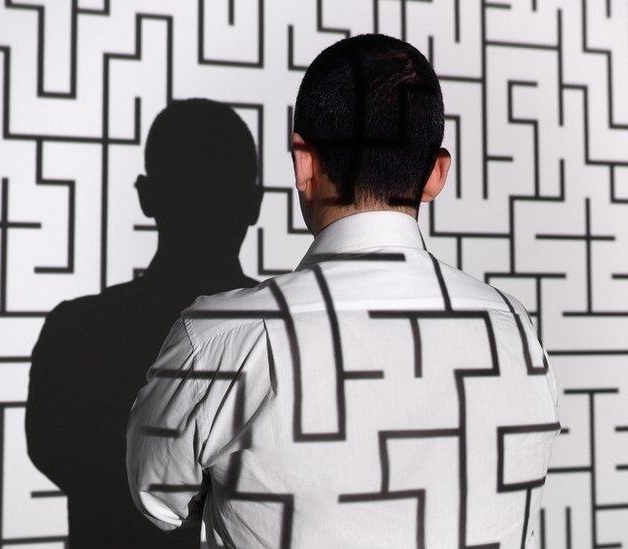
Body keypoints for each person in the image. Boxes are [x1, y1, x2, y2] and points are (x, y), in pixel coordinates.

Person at [125, 33, 561, 548]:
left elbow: (158, 500)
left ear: (303, 162)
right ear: (437, 174)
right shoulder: (514, 329)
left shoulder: (223, 339)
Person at [26, 99, 263, 547]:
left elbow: (58, 455)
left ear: (147, 195)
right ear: (253, 204)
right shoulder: (283, 335)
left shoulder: (75, 331)